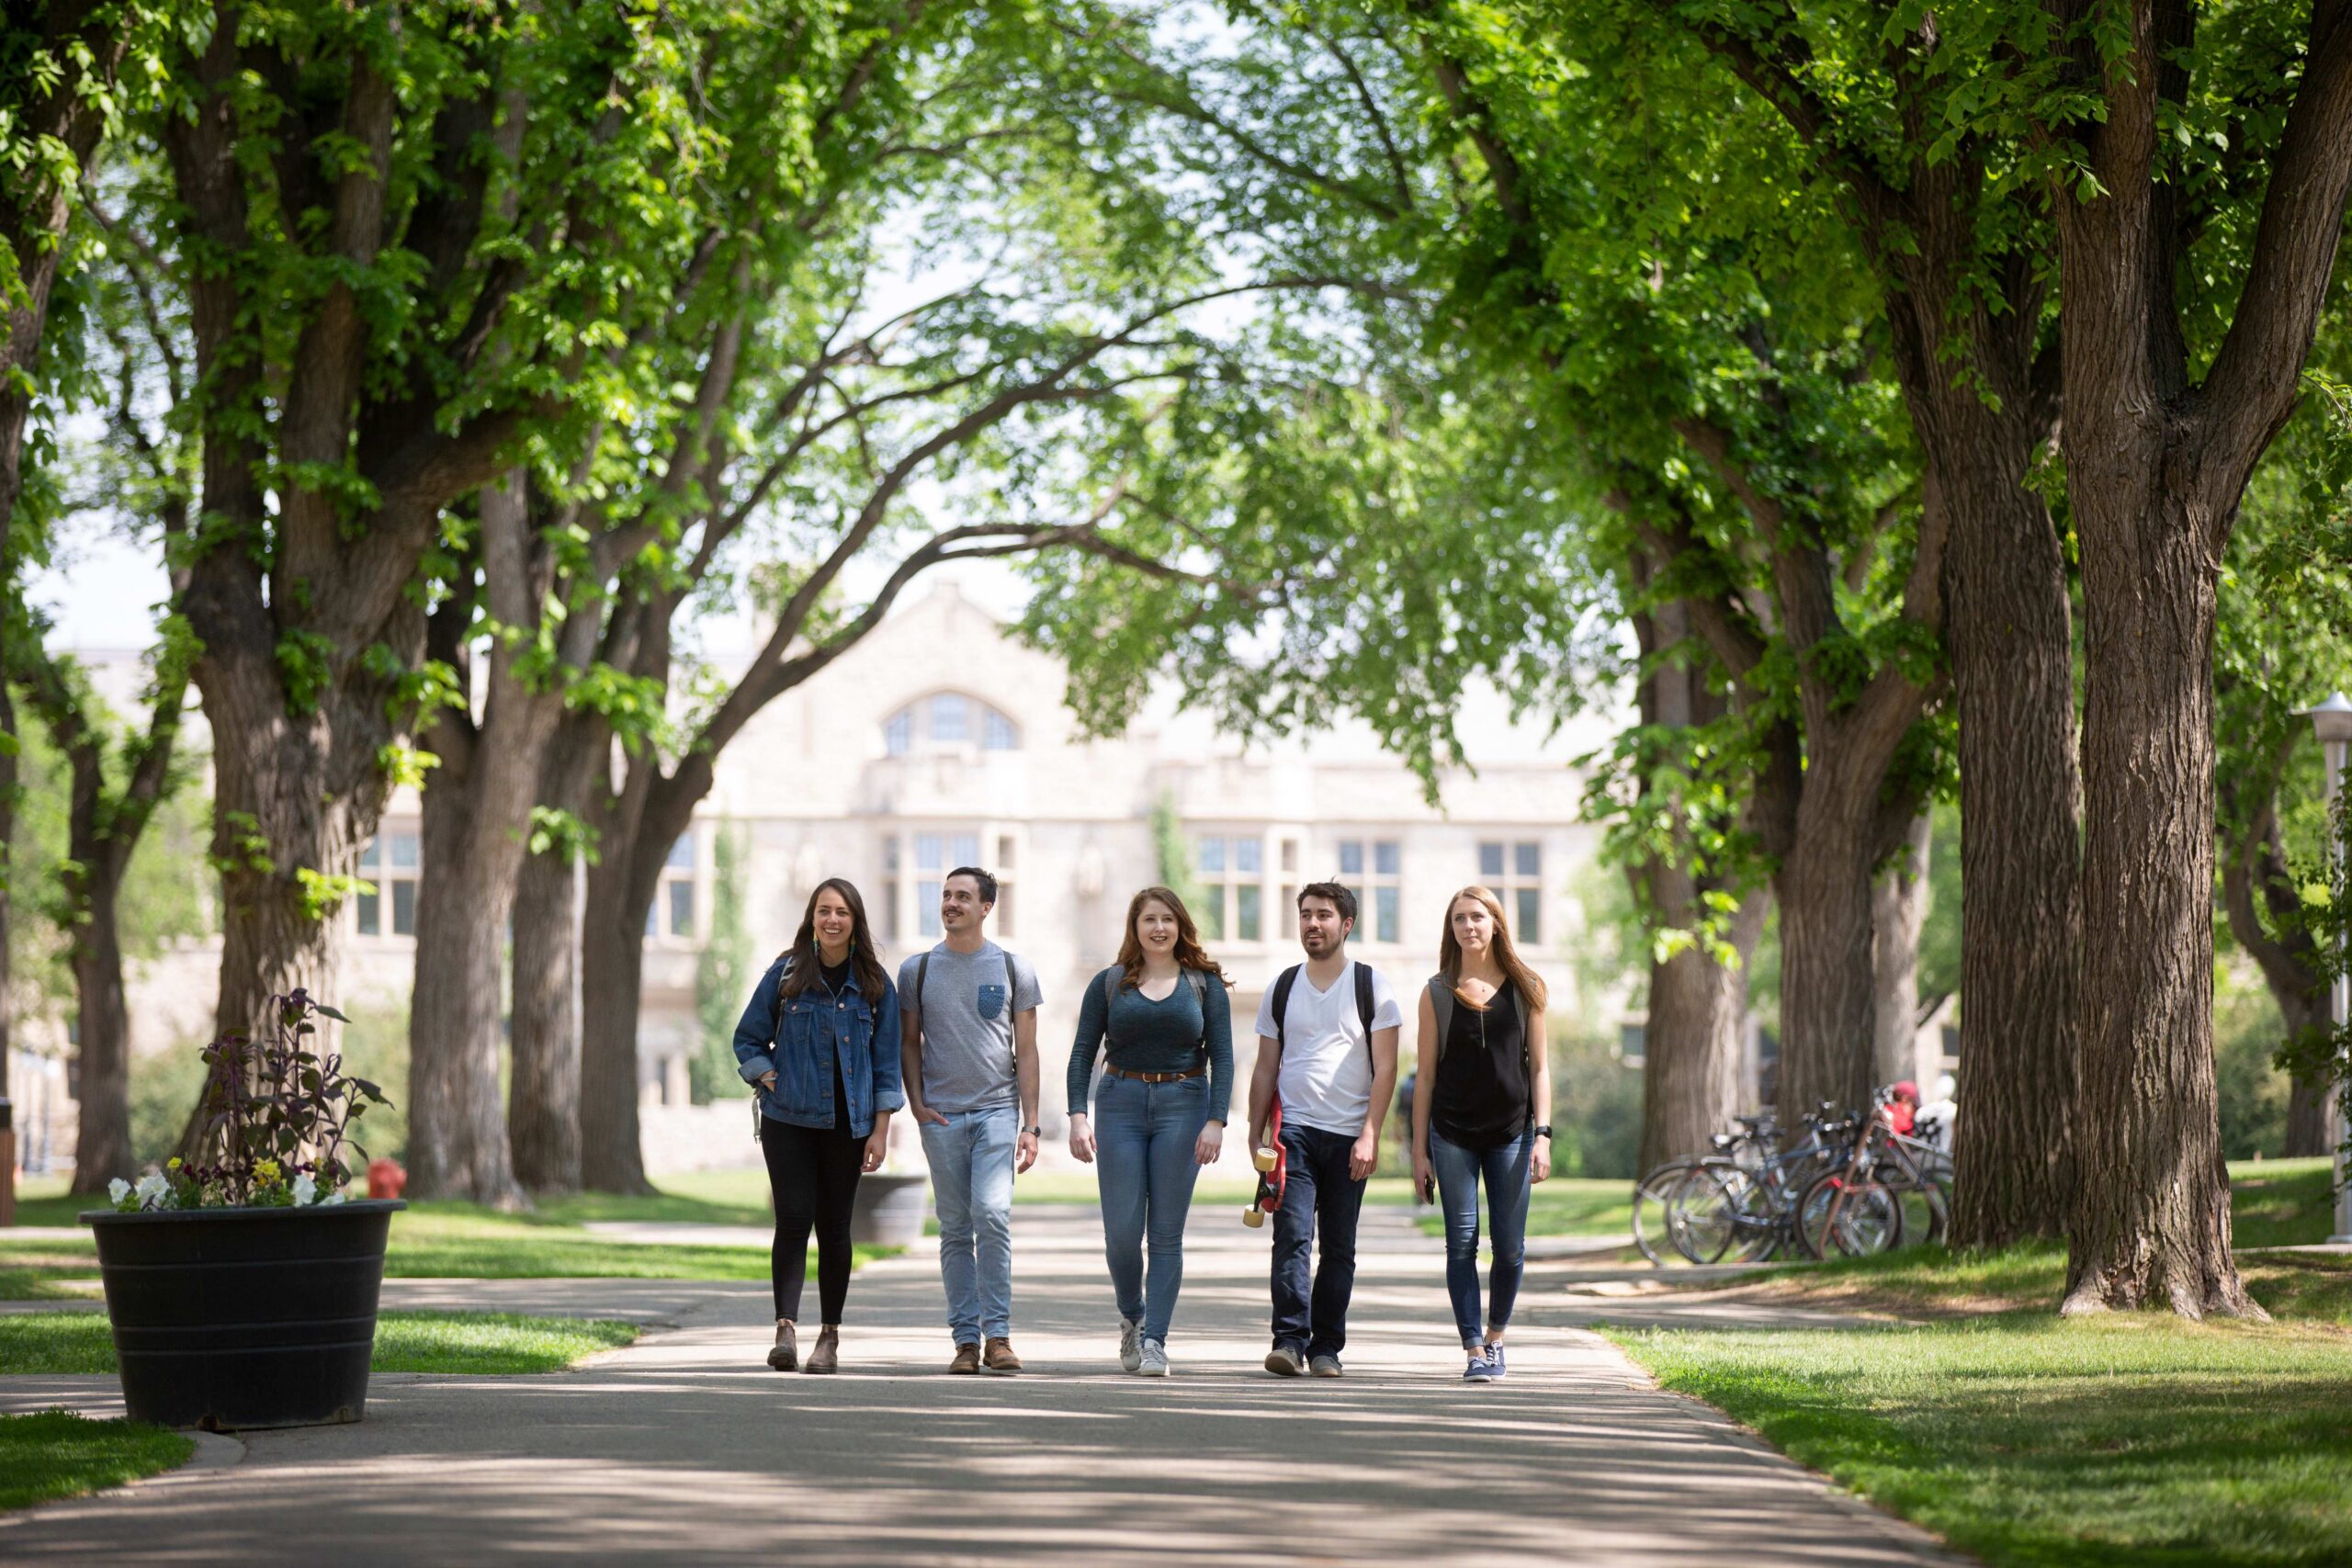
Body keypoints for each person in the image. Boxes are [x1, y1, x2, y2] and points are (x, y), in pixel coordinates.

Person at [731, 878, 902, 1374]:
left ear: (855, 922)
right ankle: (785, 1330)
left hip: (848, 1125)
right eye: (824, 910)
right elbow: (748, 1038)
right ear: (811, 918)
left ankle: (829, 1337)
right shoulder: (786, 974)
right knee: (791, 1221)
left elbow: (887, 1063)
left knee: (834, 1227)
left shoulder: (875, 985)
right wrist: (768, 1076)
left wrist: (880, 1131)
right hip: (788, 1120)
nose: (832, 920)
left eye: (842, 912)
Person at [1067, 886, 1234, 1377]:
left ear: (1180, 926)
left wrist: (1216, 1120)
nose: (1159, 928)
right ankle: (1133, 1316)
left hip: (1184, 1104)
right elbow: (1083, 1053)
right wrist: (1077, 1114)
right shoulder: (1108, 983)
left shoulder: (1204, 985)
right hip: (1119, 1101)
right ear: (1135, 927)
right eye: (1149, 920)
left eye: (1167, 919)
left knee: (1165, 1233)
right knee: (1121, 1233)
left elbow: (1223, 1057)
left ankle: (1156, 1340)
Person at [1247, 882, 1402, 1378]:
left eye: (1324, 915)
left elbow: (1387, 1068)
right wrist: (1255, 1131)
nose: (1312, 924)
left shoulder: (1372, 987)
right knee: (1291, 1236)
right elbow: (1265, 1067)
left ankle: (1326, 1348)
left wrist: (1370, 1134)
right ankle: (1289, 1341)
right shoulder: (1283, 987)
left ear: (1346, 924)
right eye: (1306, 915)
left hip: (1349, 1136)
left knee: (1338, 1247)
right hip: (1293, 1133)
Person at [899, 866, 1043, 1374]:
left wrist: (1031, 1124)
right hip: (941, 1117)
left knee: (992, 1213)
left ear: (986, 907)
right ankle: (965, 1341)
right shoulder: (916, 970)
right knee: (956, 1227)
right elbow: (908, 1043)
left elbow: (1027, 1051)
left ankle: (997, 1335)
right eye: (946, 895)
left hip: (997, 1111)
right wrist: (917, 1104)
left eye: (963, 896)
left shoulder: (1012, 968)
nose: (951, 903)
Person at [1410, 886, 1551, 1384]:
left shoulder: (1528, 986)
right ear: (1450, 929)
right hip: (1452, 1134)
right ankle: (1473, 1349)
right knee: (1461, 1244)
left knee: (1509, 1247)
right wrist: (1419, 1151)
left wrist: (1543, 1135)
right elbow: (1425, 1076)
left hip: (1512, 1133)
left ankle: (1496, 1339)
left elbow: (1539, 1068)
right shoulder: (1436, 992)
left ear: (1496, 923)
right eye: (1459, 919)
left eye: (1477, 917)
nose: (1468, 926)